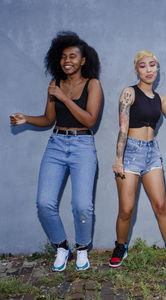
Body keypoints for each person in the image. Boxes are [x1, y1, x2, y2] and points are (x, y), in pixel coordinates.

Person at [10, 31, 103, 272]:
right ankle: (63, 247)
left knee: (82, 206)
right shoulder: (55, 84)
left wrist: (64, 97)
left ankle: (82, 248)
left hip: (82, 145)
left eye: (73, 56)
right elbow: (48, 119)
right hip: (56, 144)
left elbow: (90, 120)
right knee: (44, 203)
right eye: (63, 56)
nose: (67, 61)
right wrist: (26, 119)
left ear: (83, 60)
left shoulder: (93, 84)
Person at [109, 50, 166, 270]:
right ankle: (120, 246)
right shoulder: (129, 92)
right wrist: (118, 159)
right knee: (126, 209)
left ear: (157, 69)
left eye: (152, 65)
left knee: (161, 205)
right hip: (130, 153)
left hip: (151, 152)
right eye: (143, 66)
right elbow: (123, 127)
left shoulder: (160, 98)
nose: (149, 70)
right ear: (136, 69)